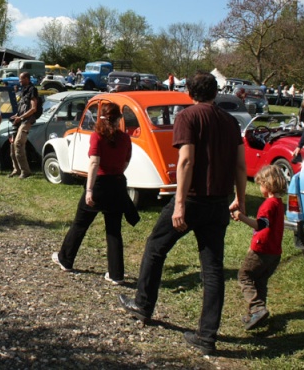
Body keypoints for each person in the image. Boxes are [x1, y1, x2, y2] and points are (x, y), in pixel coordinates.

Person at [118, 71, 247, 356]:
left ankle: (143, 304)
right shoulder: (230, 122)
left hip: (193, 200)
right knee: (212, 269)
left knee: (155, 247)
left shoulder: (187, 117)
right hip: (218, 203)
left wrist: (178, 204)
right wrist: (240, 199)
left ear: (190, 92)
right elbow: (241, 165)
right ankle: (206, 337)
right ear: (215, 92)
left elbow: (186, 161)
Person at [52, 102, 136, 284]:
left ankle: (65, 259)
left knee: (80, 224)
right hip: (117, 184)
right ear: (119, 119)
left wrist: (89, 189)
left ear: (101, 118)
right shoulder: (125, 138)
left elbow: (94, 163)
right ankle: (116, 275)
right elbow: (126, 161)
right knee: (114, 231)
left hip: (99, 184)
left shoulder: (97, 137)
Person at [232, 165, 286, 331]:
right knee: (260, 281)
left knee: (244, 276)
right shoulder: (279, 204)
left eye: (260, 185)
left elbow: (260, 225)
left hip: (261, 250)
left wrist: (241, 217)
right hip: (274, 253)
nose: (259, 188)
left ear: (267, 184)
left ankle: (257, 308)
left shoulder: (268, 205)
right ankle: (256, 315)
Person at [9, 72, 39, 179]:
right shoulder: (23, 90)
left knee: (18, 143)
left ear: (27, 78)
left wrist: (21, 118)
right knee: (12, 144)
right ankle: (16, 169)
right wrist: (16, 116)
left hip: (27, 121)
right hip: (20, 119)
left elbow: (33, 108)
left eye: (21, 79)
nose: (19, 81)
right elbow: (22, 107)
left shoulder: (32, 90)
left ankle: (25, 171)